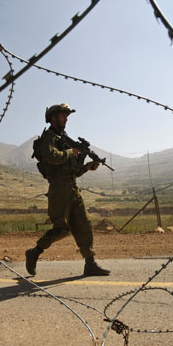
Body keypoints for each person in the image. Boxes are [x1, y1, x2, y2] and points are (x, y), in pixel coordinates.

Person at [25, 103, 110, 277]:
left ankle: (90, 263)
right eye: (63, 115)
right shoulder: (50, 138)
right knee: (61, 229)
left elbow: (74, 172)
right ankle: (34, 252)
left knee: (83, 225)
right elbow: (52, 157)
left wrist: (86, 167)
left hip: (72, 188)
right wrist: (73, 152)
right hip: (58, 190)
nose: (66, 119)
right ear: (53, 117)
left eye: (66, 115)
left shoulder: (65, 139)